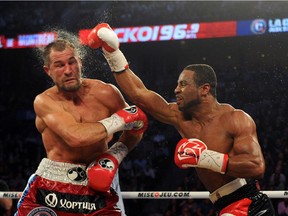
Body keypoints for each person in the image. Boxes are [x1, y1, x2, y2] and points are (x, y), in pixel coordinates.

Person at [87, 23, 276, 215]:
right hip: (224, 206)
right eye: (178, 84)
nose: (176, 90)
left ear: (204, 89)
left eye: (184, 84)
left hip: (249, 204)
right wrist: (112, 53)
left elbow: (256, 167)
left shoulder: (236, 119)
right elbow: (139, 94)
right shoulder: (180, 117)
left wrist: (206, 158)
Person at [15, 37, 148, 216]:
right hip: (51, 186)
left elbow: (137, 125)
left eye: (72, 62)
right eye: (59, 65)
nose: (68, 70)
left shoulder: (106, 92)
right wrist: (119, 119)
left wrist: (114, 156)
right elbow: (76, 137)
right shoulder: (44, 101)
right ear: (48, 71)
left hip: (97, 186)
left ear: (80, 61)